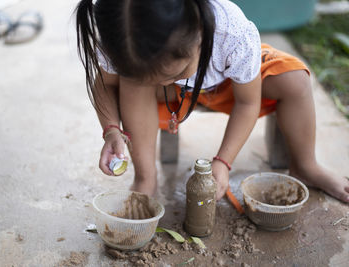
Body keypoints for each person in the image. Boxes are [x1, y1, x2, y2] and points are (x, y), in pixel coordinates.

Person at [75, 0, 349, 203]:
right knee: (132, 85)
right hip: (171, 97)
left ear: (199, 33)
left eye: (175, 71)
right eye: (152, 77)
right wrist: (112, 130)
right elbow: (105, 85)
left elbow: (247, 103)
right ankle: (146, 177)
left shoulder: (233, 33)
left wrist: (223, 161)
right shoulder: (122, 35)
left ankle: (306, 165)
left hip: (231, 85)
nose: (158, 80)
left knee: (294, 80)